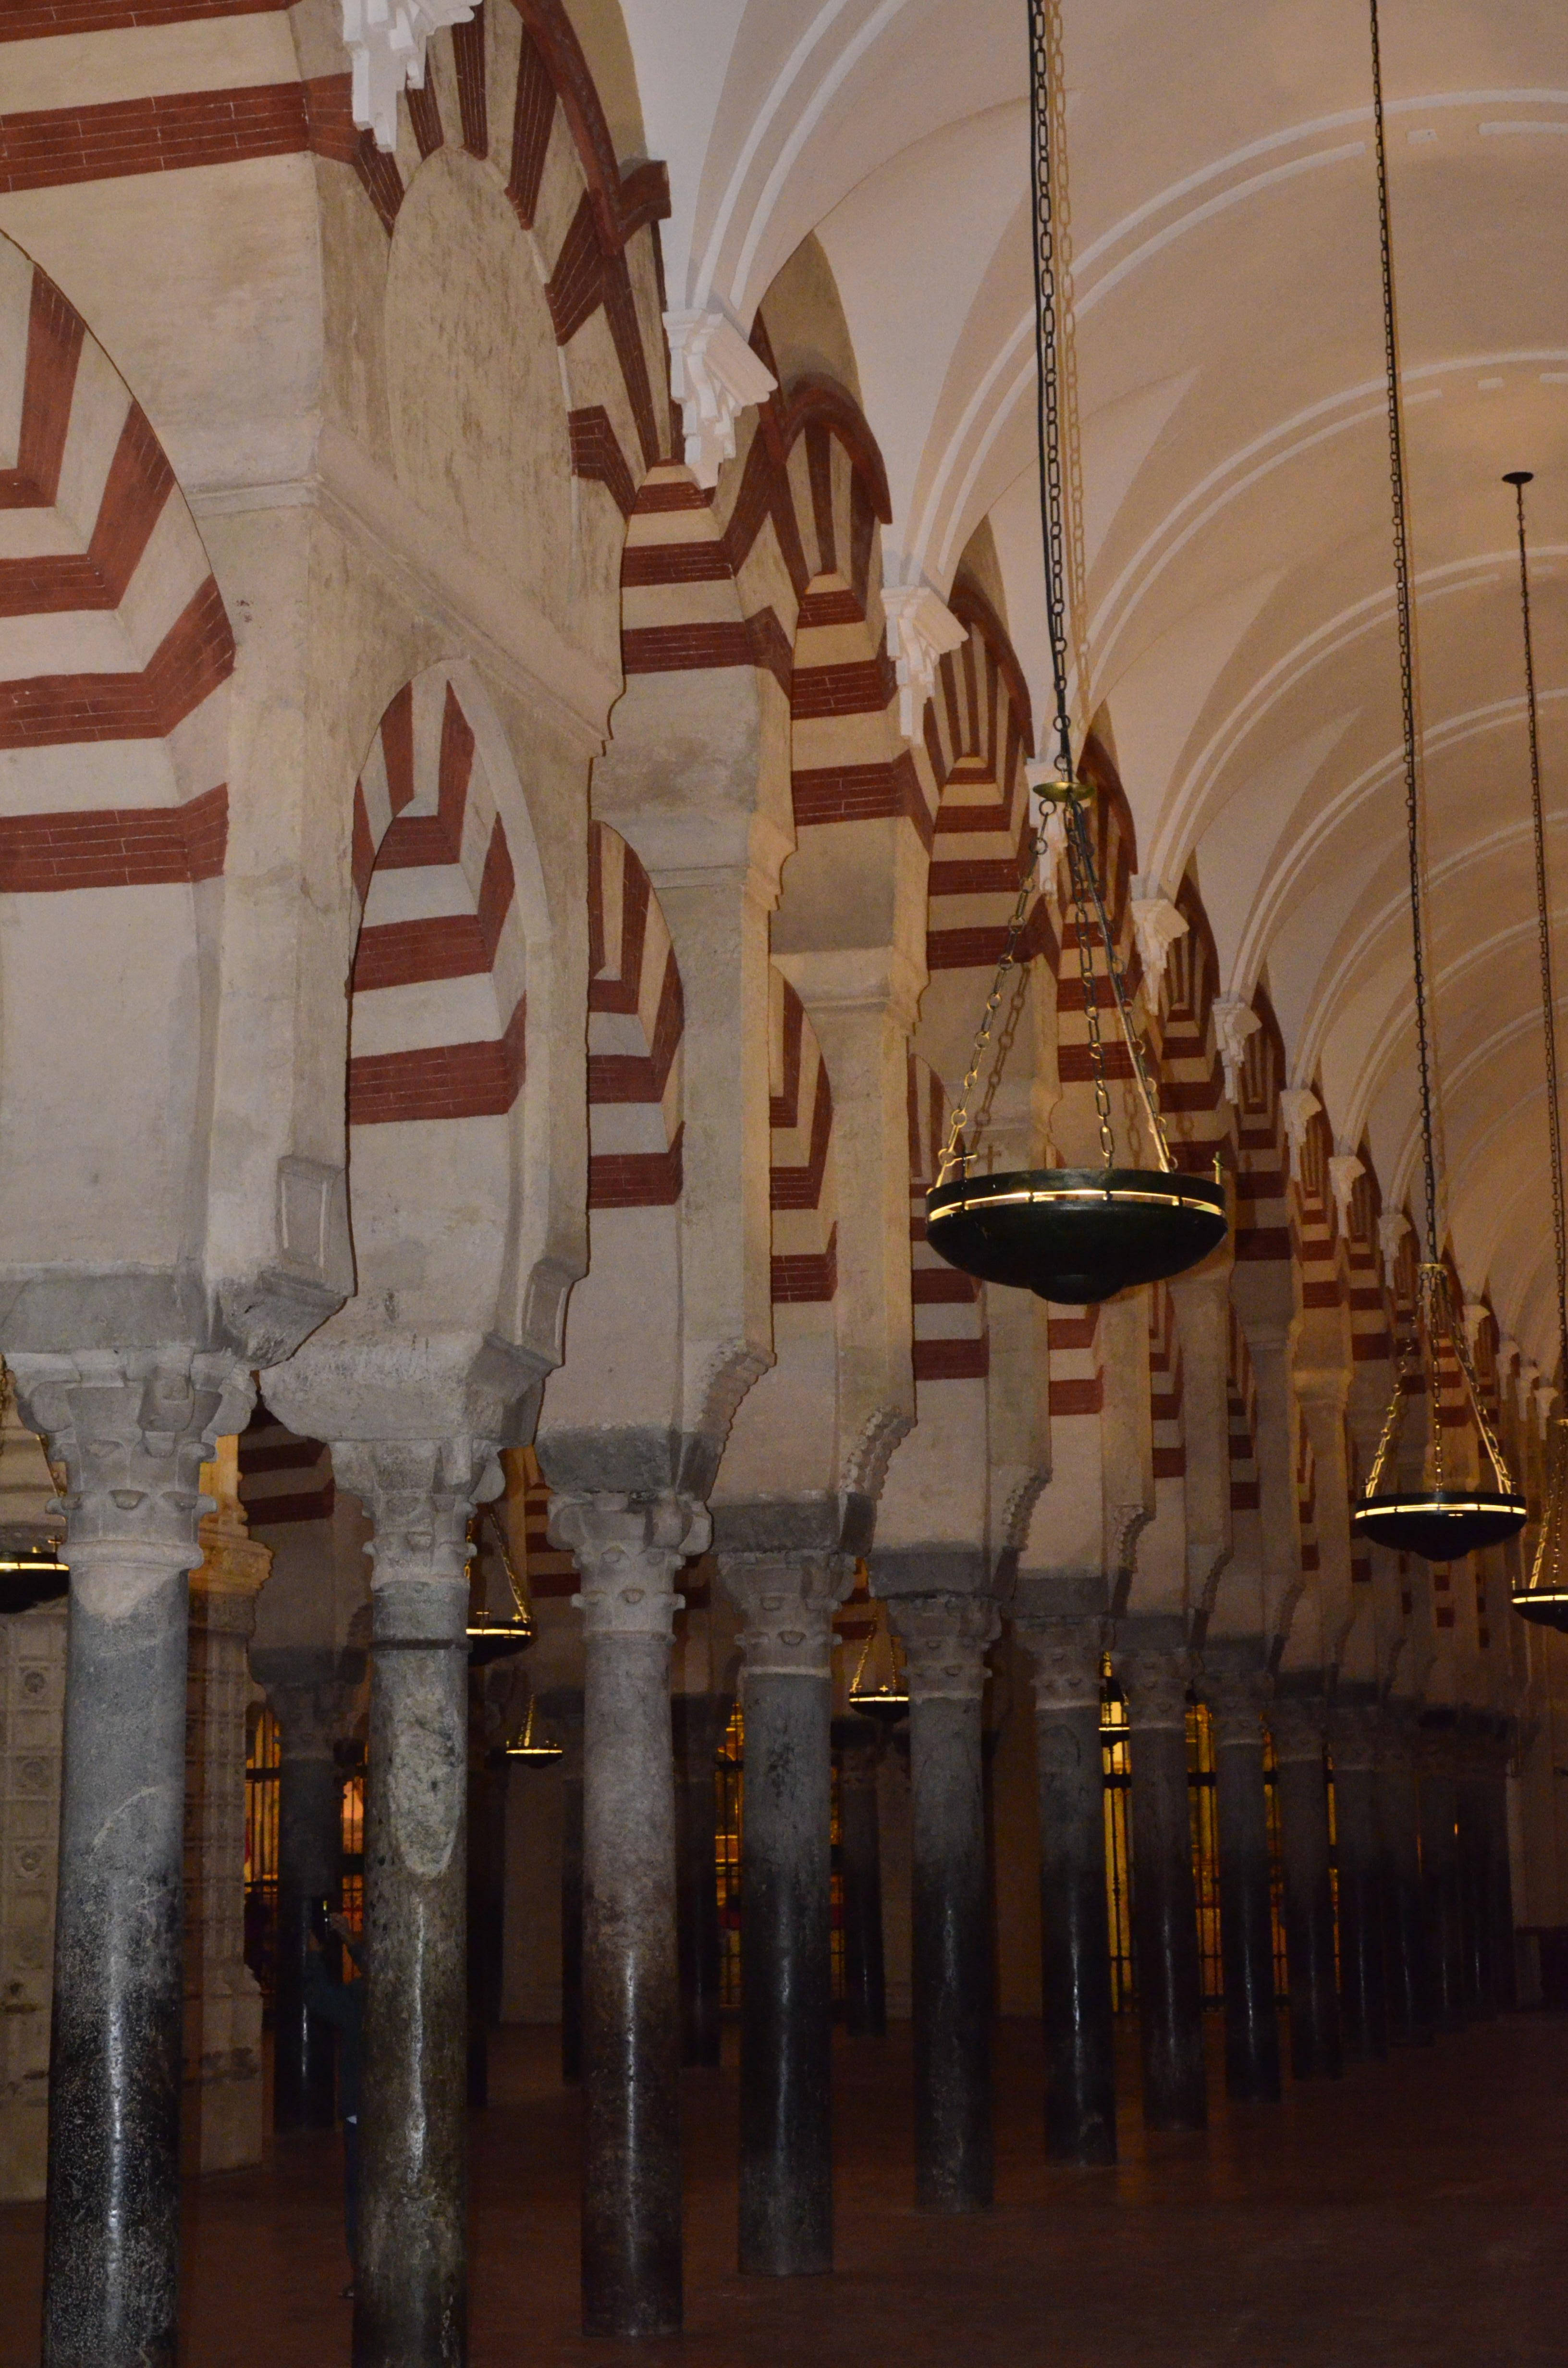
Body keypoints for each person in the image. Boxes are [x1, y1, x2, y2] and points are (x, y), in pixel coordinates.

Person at [304, 1905, 364, 2302]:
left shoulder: (361, 1997)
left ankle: (365, 2273)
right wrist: (349, 1941)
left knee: (360, 2192)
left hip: (364, 2108)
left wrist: (313, 1958)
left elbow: (322, 1998)